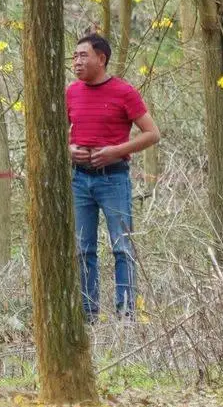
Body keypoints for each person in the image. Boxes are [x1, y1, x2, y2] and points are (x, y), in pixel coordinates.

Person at [67, 31, 160, 322]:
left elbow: (152, 133)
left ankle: (126, 314)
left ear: (101, 59)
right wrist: (69, 149)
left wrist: (116, 150)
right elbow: (57, 133)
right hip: (79, 179)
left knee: (122, 245)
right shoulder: (71, 92)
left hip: (114, 179)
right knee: (82, 248)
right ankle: (88, 314)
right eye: (75, 56)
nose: (77, 62)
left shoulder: (124, 92)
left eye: (83, 56)